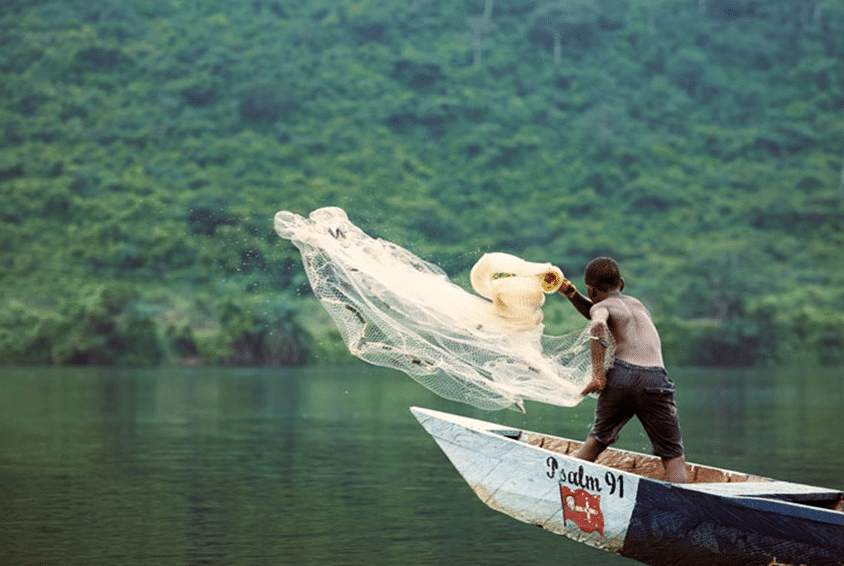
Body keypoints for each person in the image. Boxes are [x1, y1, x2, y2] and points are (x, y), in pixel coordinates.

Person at [557, 257, 688, 483]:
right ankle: (685, 506)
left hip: (621, 376)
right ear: (622, 283)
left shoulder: (601, 307)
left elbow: (598, 321)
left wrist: (598, 374)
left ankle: (567, 485)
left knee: (597, 440)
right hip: (654, 379)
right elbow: (601, 310)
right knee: (673, 456)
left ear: (591, 288)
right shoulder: (637, 305)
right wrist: (571, 293)